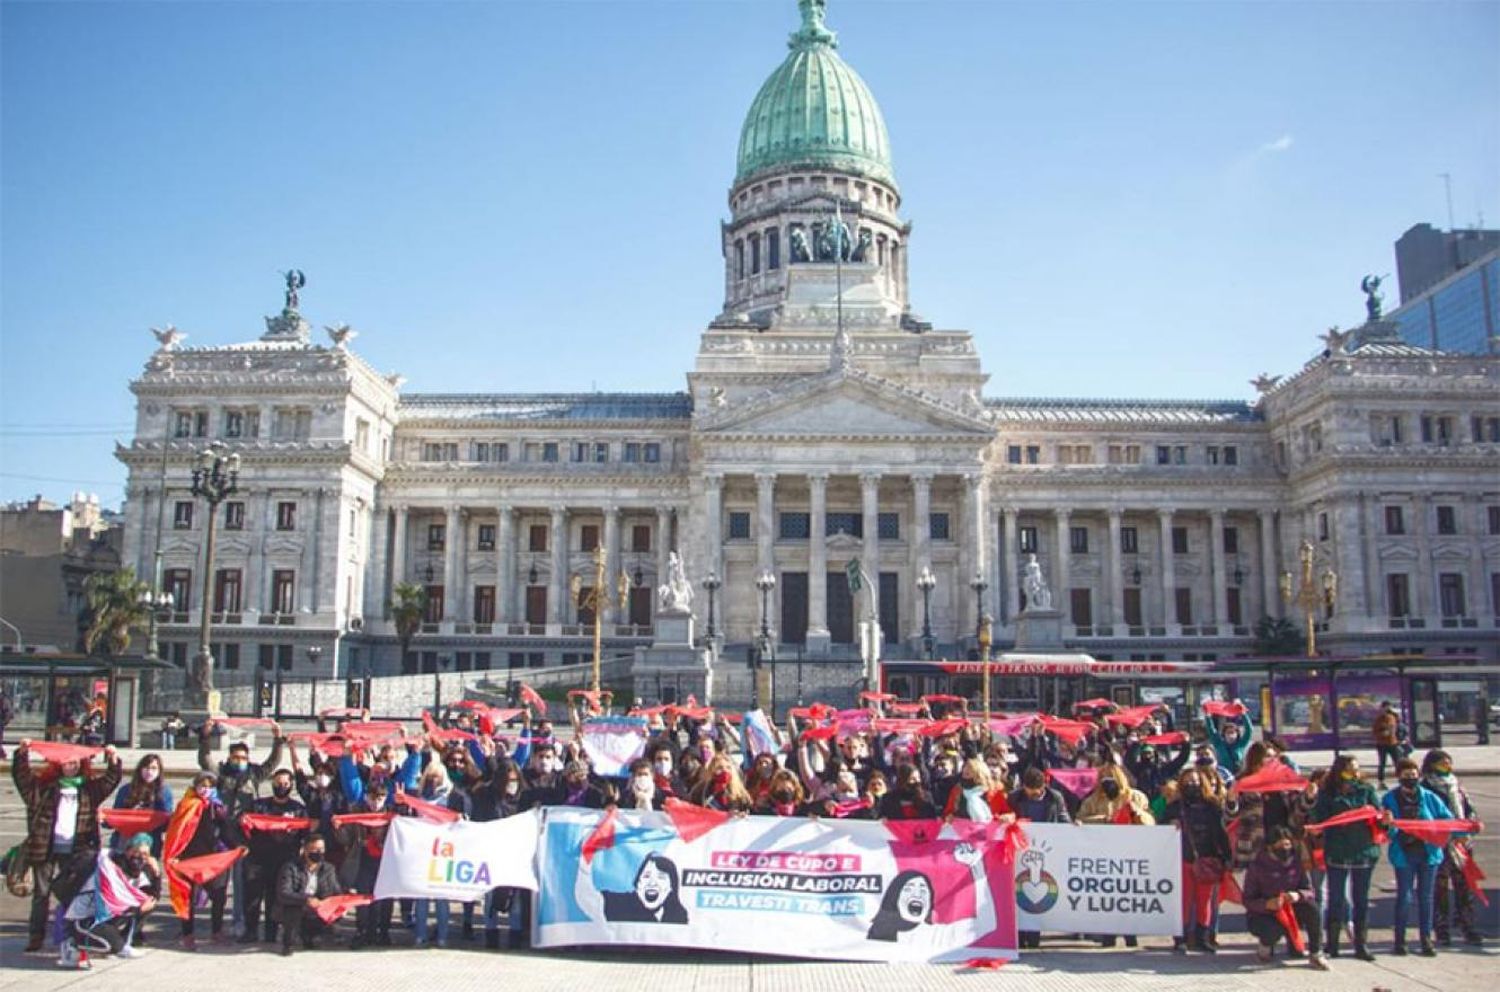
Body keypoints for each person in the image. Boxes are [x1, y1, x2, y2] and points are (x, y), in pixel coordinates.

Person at [12, 741, 123, 952]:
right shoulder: (45, 788)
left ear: (80, 765)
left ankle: (70, 934)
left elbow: (111, 780)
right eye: (66, 763)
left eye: (74, 763)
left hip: (77, 849)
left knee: (71, 894)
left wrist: (112, 759)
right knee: (41, 893)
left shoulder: (89, 790)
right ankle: (36, 936)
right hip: (45, 847)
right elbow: (22, 779)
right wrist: (22, 754)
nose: (69, 767)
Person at [199, 719, 283, 938]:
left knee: (242, 883)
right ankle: (217, 925)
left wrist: (277, 739)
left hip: (245, 838)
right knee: (219, 884)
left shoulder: (253, 774)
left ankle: (240, 921)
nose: (240, 761)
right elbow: (205, 760)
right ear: (229, 757)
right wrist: (205, 737)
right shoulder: (221, 773)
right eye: (236, 757)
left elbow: (272, 763)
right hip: (223, 836)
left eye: (243, 758)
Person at [1382, 757, 1456, 957]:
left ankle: (1426, 939)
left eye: (1414, 776)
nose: (1411, 779)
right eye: (1406, 776)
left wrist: (1457, 831)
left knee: (1426, 897)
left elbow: (1446, 819)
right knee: (1404, 897)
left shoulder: (1428, 797)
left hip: (1427, 852)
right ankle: (1400, 940)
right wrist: (1388, 824)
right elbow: (1386, 831)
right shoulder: (1390, 798)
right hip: (1404, 853)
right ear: (1399, 777)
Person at [1311, 754, 1379, 960]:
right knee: (1336, 899)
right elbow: (1320, 818)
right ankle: (1332, 945)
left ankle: (1361, 944)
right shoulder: (1328, 793)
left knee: (1361, 899)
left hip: (1363, 850)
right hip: (1338, 851)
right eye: (1350, 770)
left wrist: (1383, 819)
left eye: (1357, 770)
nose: (1355, 774)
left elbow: (1378, 816)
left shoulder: (1366, 790)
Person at [1160, 767, 1230, 954]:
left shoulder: (1213, 805)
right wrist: (1169, 824)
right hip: (1183, 858)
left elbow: (1221, 832)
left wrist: (1226, 857)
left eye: (1196, 781)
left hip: (1208, 858)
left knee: (1204, 901)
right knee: (1183, 900)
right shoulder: (1175, 806)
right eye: (1188, 781)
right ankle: (1180, 938)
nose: (1193, 784)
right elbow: (1160, 826)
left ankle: (1202, 938)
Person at [1419, 749, 1484, 946]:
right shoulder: (1427, 788)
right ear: (1431, 765)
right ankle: (1442, 929)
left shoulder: (1457, 786)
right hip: (1440, 843)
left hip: (1462, 844)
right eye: (1442, 764)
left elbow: (1468, 809)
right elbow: (1426, 815)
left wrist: (1471, 825)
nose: (1447, 767)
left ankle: (1468, 926)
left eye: (1449, 763)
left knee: (1464, 886)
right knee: (1440, 888)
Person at [1243, 827, 1328, 969]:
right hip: (1266, 913)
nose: (1285, 849)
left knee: (1313, 909)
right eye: (1280, 846)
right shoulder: (1257, 867)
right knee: (1271, 930)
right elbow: (1247, 899)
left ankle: (1316, 953)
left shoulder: (1296, 862)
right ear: (1270, 847)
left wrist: (1297, 895)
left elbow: (1309, 890)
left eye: (1287, 845)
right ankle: (1265, 946)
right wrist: (1266, 904)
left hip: (1291, 909)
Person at [240, 768, 308, 944]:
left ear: (291, 785)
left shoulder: (298, 809)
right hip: (258, 858)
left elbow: (305, 834)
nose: (282, 786)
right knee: (253, 898)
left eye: (286, 783)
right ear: (272, 783)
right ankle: (250, 931)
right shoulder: (259, 806)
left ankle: (271, 933)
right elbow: (245, 826)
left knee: (275, 898)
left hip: (284, 860)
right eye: (278, 783)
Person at [168, 771, 231, 949]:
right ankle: (188, 934)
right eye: (202, 785)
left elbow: (225, 831)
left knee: (219, 896)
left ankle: (217, 932)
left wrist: (237, 846)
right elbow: (176, 831)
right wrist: (174, 855)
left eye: (210, 786)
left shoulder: (217, 807)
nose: (206, 789)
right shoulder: (186, 805)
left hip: (213, 858)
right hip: (189, 859)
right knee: (187, 897)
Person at [275, 834, 342, 956]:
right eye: (315, 850)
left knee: (319, 937)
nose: (319, 853)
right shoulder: (290, 867)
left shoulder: (328, 869)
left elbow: (336, 891)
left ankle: (313, 936)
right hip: (298, 906)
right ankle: (288, 942)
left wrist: (341, 904)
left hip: (318, 908)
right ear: (305, 850)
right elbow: (284, 893)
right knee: (292, 912)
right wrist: (306, 899)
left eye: (322, 849)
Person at [109, 753, 174, 856]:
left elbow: (166, 822)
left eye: (154, 768)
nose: (149, 772)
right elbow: (116, 814)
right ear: (140, 769)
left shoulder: (164, 792)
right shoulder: (126, 790)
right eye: (146, 768)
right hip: (125, 840)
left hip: (150, 841)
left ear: (159, 771)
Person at [1372, 701, 1402, 787]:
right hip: (1382, 744)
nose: (1387, 709)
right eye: (1385, 707)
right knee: (1382, 762)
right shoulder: (1379, 719)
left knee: (1397, 761)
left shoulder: (1393, 716)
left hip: (1393, 743)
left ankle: (1401, 778)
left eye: (1389, 707)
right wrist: (1382, 733)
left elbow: (1397, 727)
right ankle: (1381, 781)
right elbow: (1374, 731)